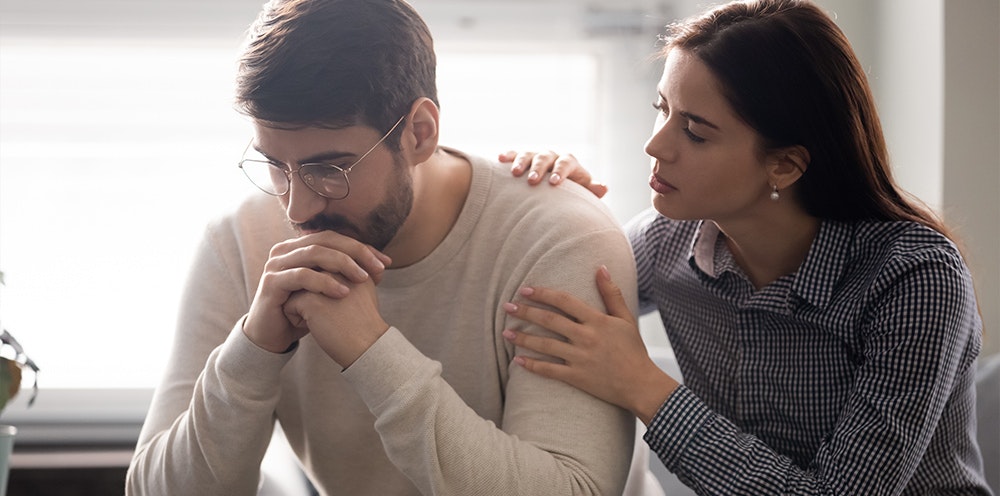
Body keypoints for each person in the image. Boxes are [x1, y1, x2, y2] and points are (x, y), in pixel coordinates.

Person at [125, 0, 663, 494]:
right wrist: (254, 350)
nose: (297, 211)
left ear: (420, 132)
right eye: (274, 165)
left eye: (328, 169)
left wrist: (372, 352)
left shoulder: (559, 238)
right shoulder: (239, 243)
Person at [500, 0, 993, 494]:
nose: (656, 146)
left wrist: (641, 382)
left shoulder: (916, 277)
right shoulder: (665, 242)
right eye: (662, 110)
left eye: (694, 131)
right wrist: (558, 204)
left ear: (784, 166)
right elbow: (548, 287)